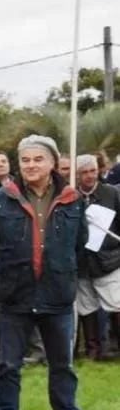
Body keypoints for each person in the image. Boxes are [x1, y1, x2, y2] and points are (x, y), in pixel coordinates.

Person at [0, 135, 86, 410]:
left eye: (38, 159)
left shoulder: (73, 199)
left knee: (63, 365)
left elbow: (79, 244)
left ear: (52, 162)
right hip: (15, 296)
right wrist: (2, 274)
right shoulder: (0, 199)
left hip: (58, 296)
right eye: (25, 160)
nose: (31, 165)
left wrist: (60, 269)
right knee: (7, 365)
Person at [73, 154, 120, 360]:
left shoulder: (112, 193)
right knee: (87, 306)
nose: (90, 176)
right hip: (82, 261)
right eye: (84, 172)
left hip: (109, 259)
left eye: (93, 171)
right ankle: (93, 349)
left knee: (116, 303)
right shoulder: (71, 197)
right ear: (77, 175)